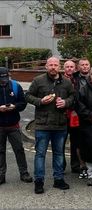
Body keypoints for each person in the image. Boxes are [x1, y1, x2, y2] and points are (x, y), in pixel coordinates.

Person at [26, 57, 75, 194]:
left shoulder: (66, 82)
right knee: (40, 154)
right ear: (46, 66)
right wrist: (40, 101)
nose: (53, 67)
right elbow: (28, 96)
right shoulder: (38, 80)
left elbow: (73, 97)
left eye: (55, 65)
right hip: (42, 124)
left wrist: (65, 102)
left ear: (59, 66)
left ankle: (58, 179)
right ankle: (39, 181)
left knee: (59, 153)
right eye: (51, 65)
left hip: (60, 124)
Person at [0, 67, 33, 185]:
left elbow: (23, 103)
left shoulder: (15, 86)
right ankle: (1, 175)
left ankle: (24, 173)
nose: (3, 81)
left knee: (19, 149)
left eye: (5, 78)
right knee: (0, 151)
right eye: (1, 78)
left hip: (13, 124)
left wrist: (14, 106)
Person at [61, 60, 82, 174]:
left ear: (75, 69)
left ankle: (75, 165)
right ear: (64, 68)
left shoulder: (78, 80)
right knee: (61, 143)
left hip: (75, 116)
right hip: (63, 116)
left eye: (71, 67)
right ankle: (61, 165)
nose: (69, 68)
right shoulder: (59, 80)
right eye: (67, 67)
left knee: (75, 142)